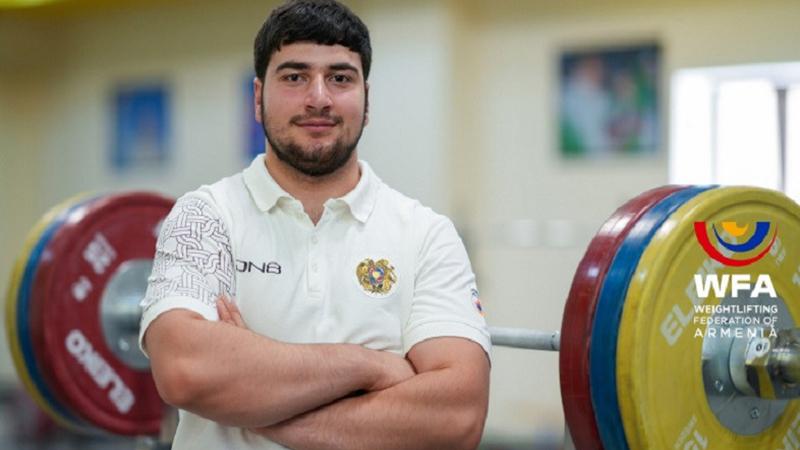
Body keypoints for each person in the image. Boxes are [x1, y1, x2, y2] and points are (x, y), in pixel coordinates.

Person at [139, 1, 491, 448]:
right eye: (294, 77)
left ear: (367, 100)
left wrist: (256, 406)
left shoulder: (425, 234)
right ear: (257, 98)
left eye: (340, 78)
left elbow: (457, 416)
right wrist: (369, 366)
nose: (319, 98)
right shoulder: (206, 216)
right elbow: (186, 371)